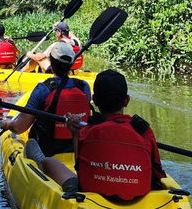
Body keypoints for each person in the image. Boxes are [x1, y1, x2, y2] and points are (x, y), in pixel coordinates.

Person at [25, 69, 165, 201]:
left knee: (50, 161)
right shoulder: (143, 130)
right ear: (126, 100)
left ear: (94, 100)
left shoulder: (89, 130)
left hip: (91, 196)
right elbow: (158, 173)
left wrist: (75, 134)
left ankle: (40, 161)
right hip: (139, 198)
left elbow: (80, 170)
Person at [0, 41, 91, 157]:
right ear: (71, 65)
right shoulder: (84, 87)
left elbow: (19, 128)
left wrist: (7, 124)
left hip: (48, 153)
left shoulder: (42, 89)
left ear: (51, 62)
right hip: (78, 150)